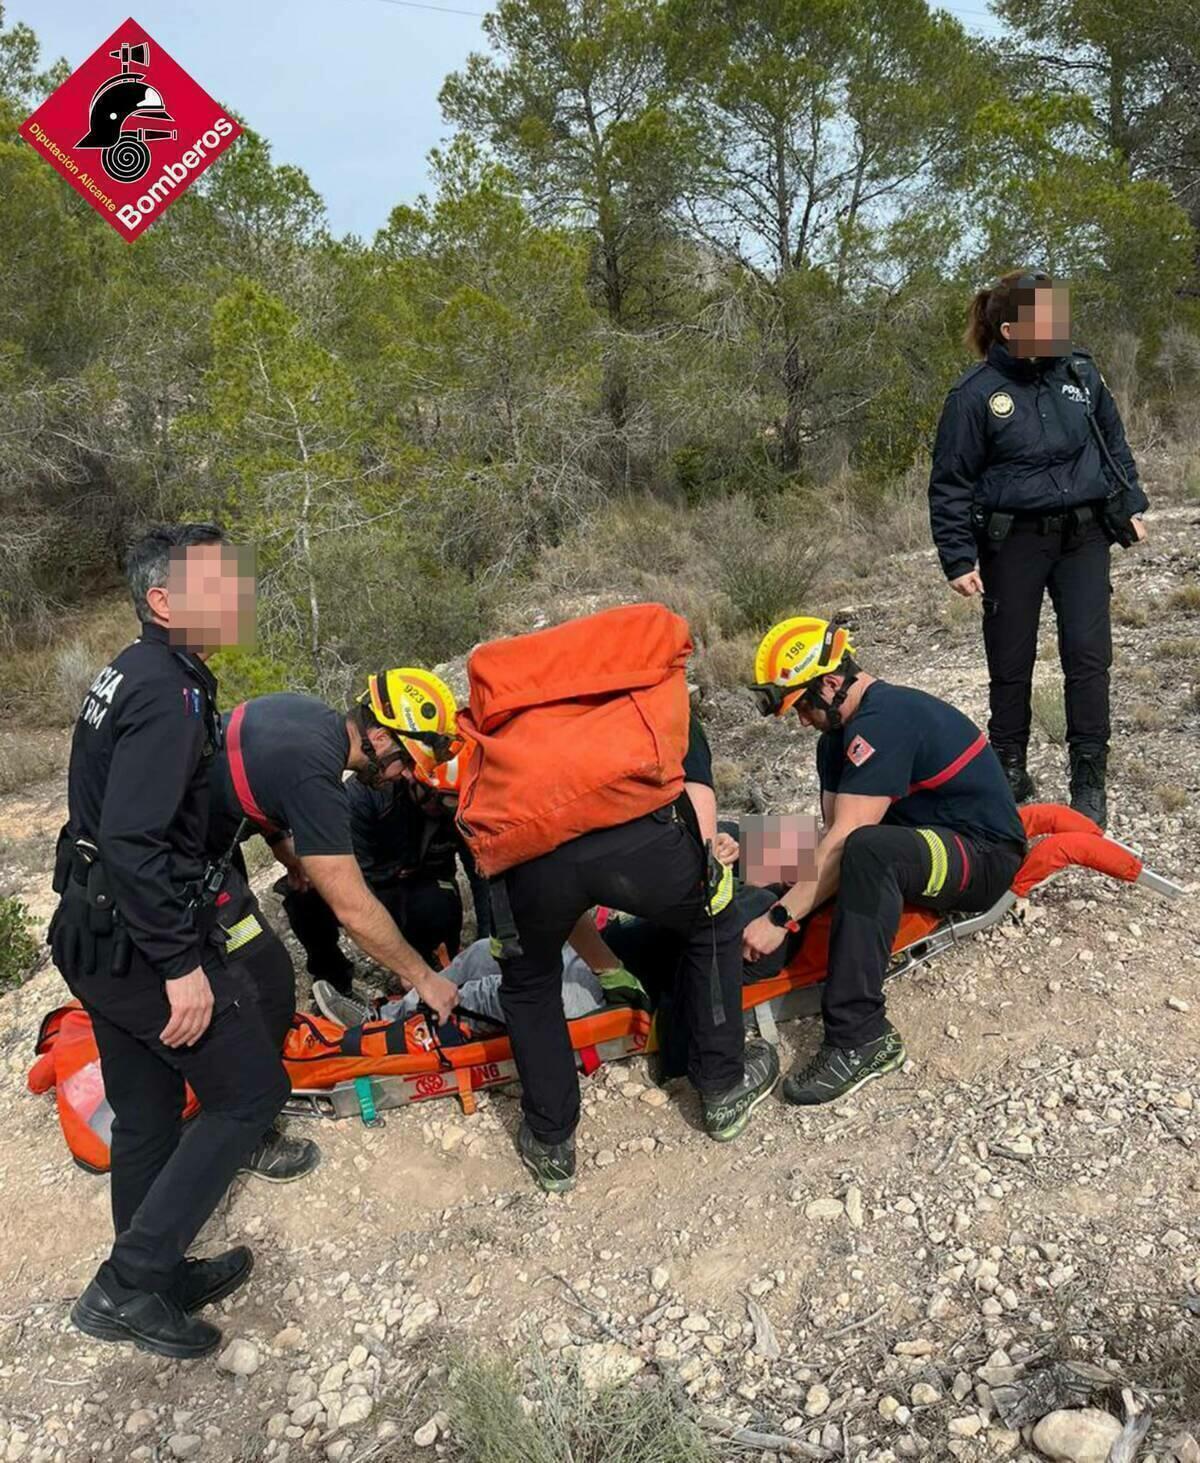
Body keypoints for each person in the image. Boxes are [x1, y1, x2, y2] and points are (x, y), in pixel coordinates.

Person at [49, 525, 295, 1361]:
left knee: (149, 1116)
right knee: (250, 1092)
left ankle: (151, 1272)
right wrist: (182, 964)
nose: (238, 594)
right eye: (218, 582)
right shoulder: (167, 690)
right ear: (164, 602)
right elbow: (133, 841)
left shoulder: (132, 671)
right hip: (137, 940)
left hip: (94, 933)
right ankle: (125, 1284)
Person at [495, 705, 779, 1194]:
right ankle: (723, 1087)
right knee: (722, 907)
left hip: (558, 886)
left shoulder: (531, 730)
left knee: (527, 985)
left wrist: (604, 964)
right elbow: (698, 803)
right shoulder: (653, 699)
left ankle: (551, 1141)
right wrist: (728, 873)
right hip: (648, 877)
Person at [745, 616, 1027, 1105]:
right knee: (759, 841)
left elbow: (851, 838)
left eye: (802, 706)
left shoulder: (887, 718)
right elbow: (830, 833)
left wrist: (780, 916)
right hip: (917, 836)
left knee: (867, 851)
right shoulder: (835, 738)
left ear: (831, 683)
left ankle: (861, 1038)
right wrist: (760, 865)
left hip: (982, 854)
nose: (800, 719)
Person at [928, 269, 1148, 828]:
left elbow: (1112, 442)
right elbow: (951, 481)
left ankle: (1088, 776)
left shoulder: (1080, 372)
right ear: (1010, 329)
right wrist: (958, 557)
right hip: (1013, 543)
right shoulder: (974, 396)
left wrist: (1130, 503)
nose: (1062, 327)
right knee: (1010, 661)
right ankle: (1008, 768)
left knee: (1088, 656)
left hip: (1083, 537)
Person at [204, 668, 460, 1026]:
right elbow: (352, 909)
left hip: (202, 839)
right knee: (261, 979)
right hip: (177, 856)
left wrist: (279, 841)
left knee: (242, 961)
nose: (403, 775)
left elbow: (250, 767)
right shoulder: (318, 781)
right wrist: (423, 978)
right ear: (382, 738)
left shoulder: (305, 712)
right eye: (406, 762)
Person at [278, 737, 491, 998]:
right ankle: (334, 977)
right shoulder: (366, 794)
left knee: (434, 904)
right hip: (369, 880)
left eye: (449, 802)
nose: (440, 809)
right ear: (413, 777)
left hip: (423, 886)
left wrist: (488, 944)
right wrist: (404, 966)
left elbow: (482, 876)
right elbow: (353, 886)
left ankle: (434, 959)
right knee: (304, 895)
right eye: (435, 799)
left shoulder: (461, 810)